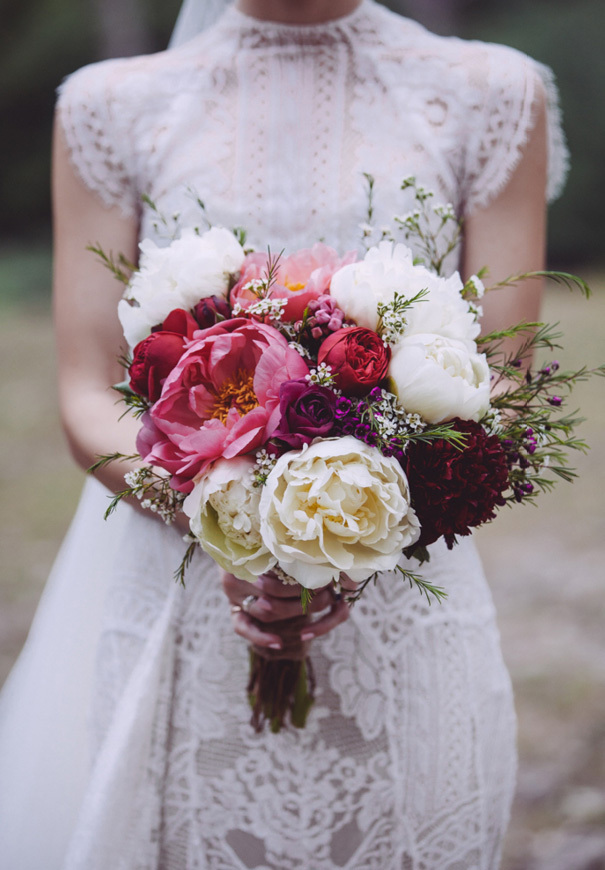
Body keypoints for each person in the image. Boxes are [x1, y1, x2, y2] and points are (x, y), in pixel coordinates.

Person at [0, 0, 568, 867]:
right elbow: (86, 389)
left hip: (396, 567)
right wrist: (240, 528)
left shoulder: (490, 94)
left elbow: (499, 375)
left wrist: (341, 529)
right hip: (178, 571)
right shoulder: (108, 106)